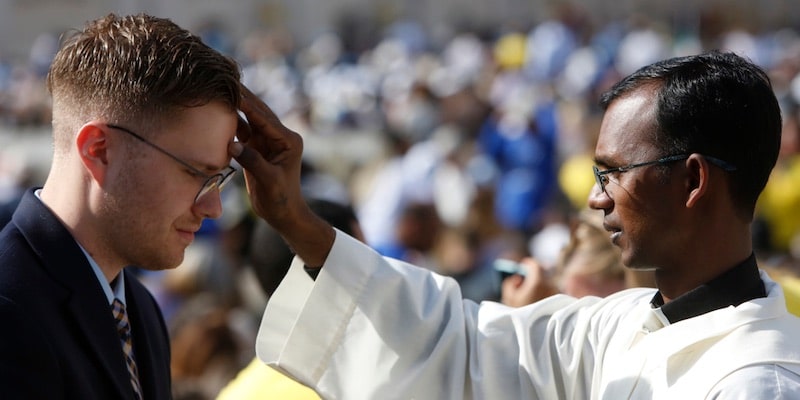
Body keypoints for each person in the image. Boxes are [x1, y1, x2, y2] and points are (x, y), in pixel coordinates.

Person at [230, 50, 800, 399]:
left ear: (693, 181)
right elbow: (459, 347)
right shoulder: (621, 326)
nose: (597, 200)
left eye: (613, 174)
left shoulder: (754, 381)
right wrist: (296, 221)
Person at [0, 13, 241, 399]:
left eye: (218, 179)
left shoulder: (138, 308)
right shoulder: (10, 312)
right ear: (99, 150)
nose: (214, 207)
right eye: (195, 172)